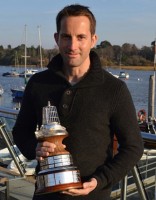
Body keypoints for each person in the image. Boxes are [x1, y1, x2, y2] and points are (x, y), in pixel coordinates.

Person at [12, 4, 144, 200]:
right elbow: (21, 132)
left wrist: (100, 180)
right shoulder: (38, 83)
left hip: (94, 195)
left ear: (93, 40)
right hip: (45, 195)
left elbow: (133, 147)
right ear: (57, 39)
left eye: (81, 37)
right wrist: (35, 148)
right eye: (66, 37)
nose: (72, 46)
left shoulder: (114, 89)